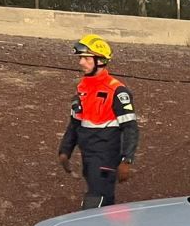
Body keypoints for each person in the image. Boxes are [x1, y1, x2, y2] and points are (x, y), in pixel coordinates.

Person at [58, 35, 138, 209]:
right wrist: (65, 150)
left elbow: (130, 128)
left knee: (96, 200)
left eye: (86, 58)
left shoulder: (117, 91)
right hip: (88, 155)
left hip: (105, 157)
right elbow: (75, 123)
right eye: (81, 58)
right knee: (102, 201)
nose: (81, 63)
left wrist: (127, 160)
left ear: (100, 61)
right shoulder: (82, 88)